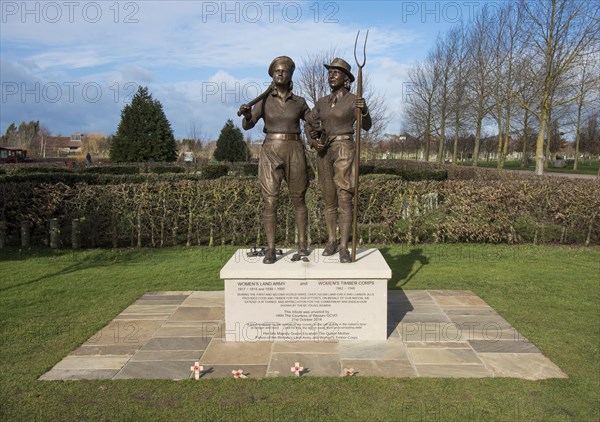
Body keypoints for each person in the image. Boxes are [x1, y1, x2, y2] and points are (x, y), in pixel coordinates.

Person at [239, 56, 312, 264]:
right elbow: (248, 125)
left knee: (299, 198)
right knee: (270, 201)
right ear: (272, 75)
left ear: (290, 75)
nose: (280, 73)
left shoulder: (299, 102)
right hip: (271, 150)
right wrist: (246, 115)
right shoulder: (263, 101)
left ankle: (302, 244)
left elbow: (313, 121)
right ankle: (271, 248)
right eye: (276, 71)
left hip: (295, 149)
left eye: (284, 71)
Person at [306, 58, 372, 263]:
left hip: (344, 147)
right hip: (324, 151)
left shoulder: (354, 100)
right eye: (329, 72)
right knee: (329, 199)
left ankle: (344, 246)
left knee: (344, 196)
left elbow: (366, 126)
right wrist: (313, 141)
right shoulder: (322, 102)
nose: (331, 75)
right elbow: (309, 122)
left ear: (346, 79)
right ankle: (331, 240)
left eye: (336, 72)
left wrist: (365, 110)